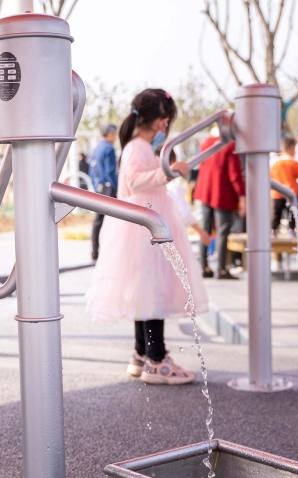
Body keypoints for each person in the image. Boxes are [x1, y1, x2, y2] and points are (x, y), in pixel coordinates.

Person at [86, 89, 208, 385]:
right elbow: (134, 182)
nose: (167, 126)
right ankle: (157, 359)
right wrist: (169, 171)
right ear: (159, 120)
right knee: (153, 289)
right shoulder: (137, 148)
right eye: (166, 120)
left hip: (144, 224)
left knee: (145, 290)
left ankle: (142, 354)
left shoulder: (135, 146)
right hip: (145, 226)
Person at [193, 128, 245, 280]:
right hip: (221, 193)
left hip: (205, 192)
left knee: (206, 229)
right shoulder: (229, 145)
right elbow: (234, 173)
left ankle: (204, 266)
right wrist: (242, 195)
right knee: (223, 231)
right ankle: (221, 269)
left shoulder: (207, 143)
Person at [271, 137, 298, 236]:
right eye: (295, 149)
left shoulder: (275, 163)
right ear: (291, 149)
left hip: (277, 193)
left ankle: (273, 231)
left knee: (277, 213)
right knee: (292, 214)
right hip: (291, 193)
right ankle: (292, 231)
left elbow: (270, 176)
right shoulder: (293, 163)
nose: (295, 152)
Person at [89, 124, 118, 261]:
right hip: (108, 188)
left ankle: (95, 251)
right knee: (112, 221)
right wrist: (116, 188)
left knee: (98, 221)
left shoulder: (97, 148)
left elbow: (92, 170)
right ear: (111, 134)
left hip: (98, 188)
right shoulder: (109, 148)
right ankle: (110, 252)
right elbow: (111, 171)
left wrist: (96, 186)